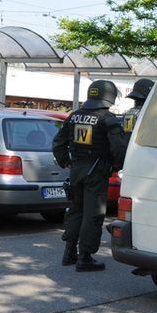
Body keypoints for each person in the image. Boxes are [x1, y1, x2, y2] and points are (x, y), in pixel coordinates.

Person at [52, 80, 127, 271]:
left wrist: (66, 161)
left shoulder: (74, 116)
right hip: (97, 171)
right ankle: (85, 257)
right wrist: (115, 166)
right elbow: (119, 148)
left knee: (76, 210)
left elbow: (58, 143)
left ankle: (69, 252)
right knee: (93, 214)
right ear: (109, 97)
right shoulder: (107, 119)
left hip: (77, 170)